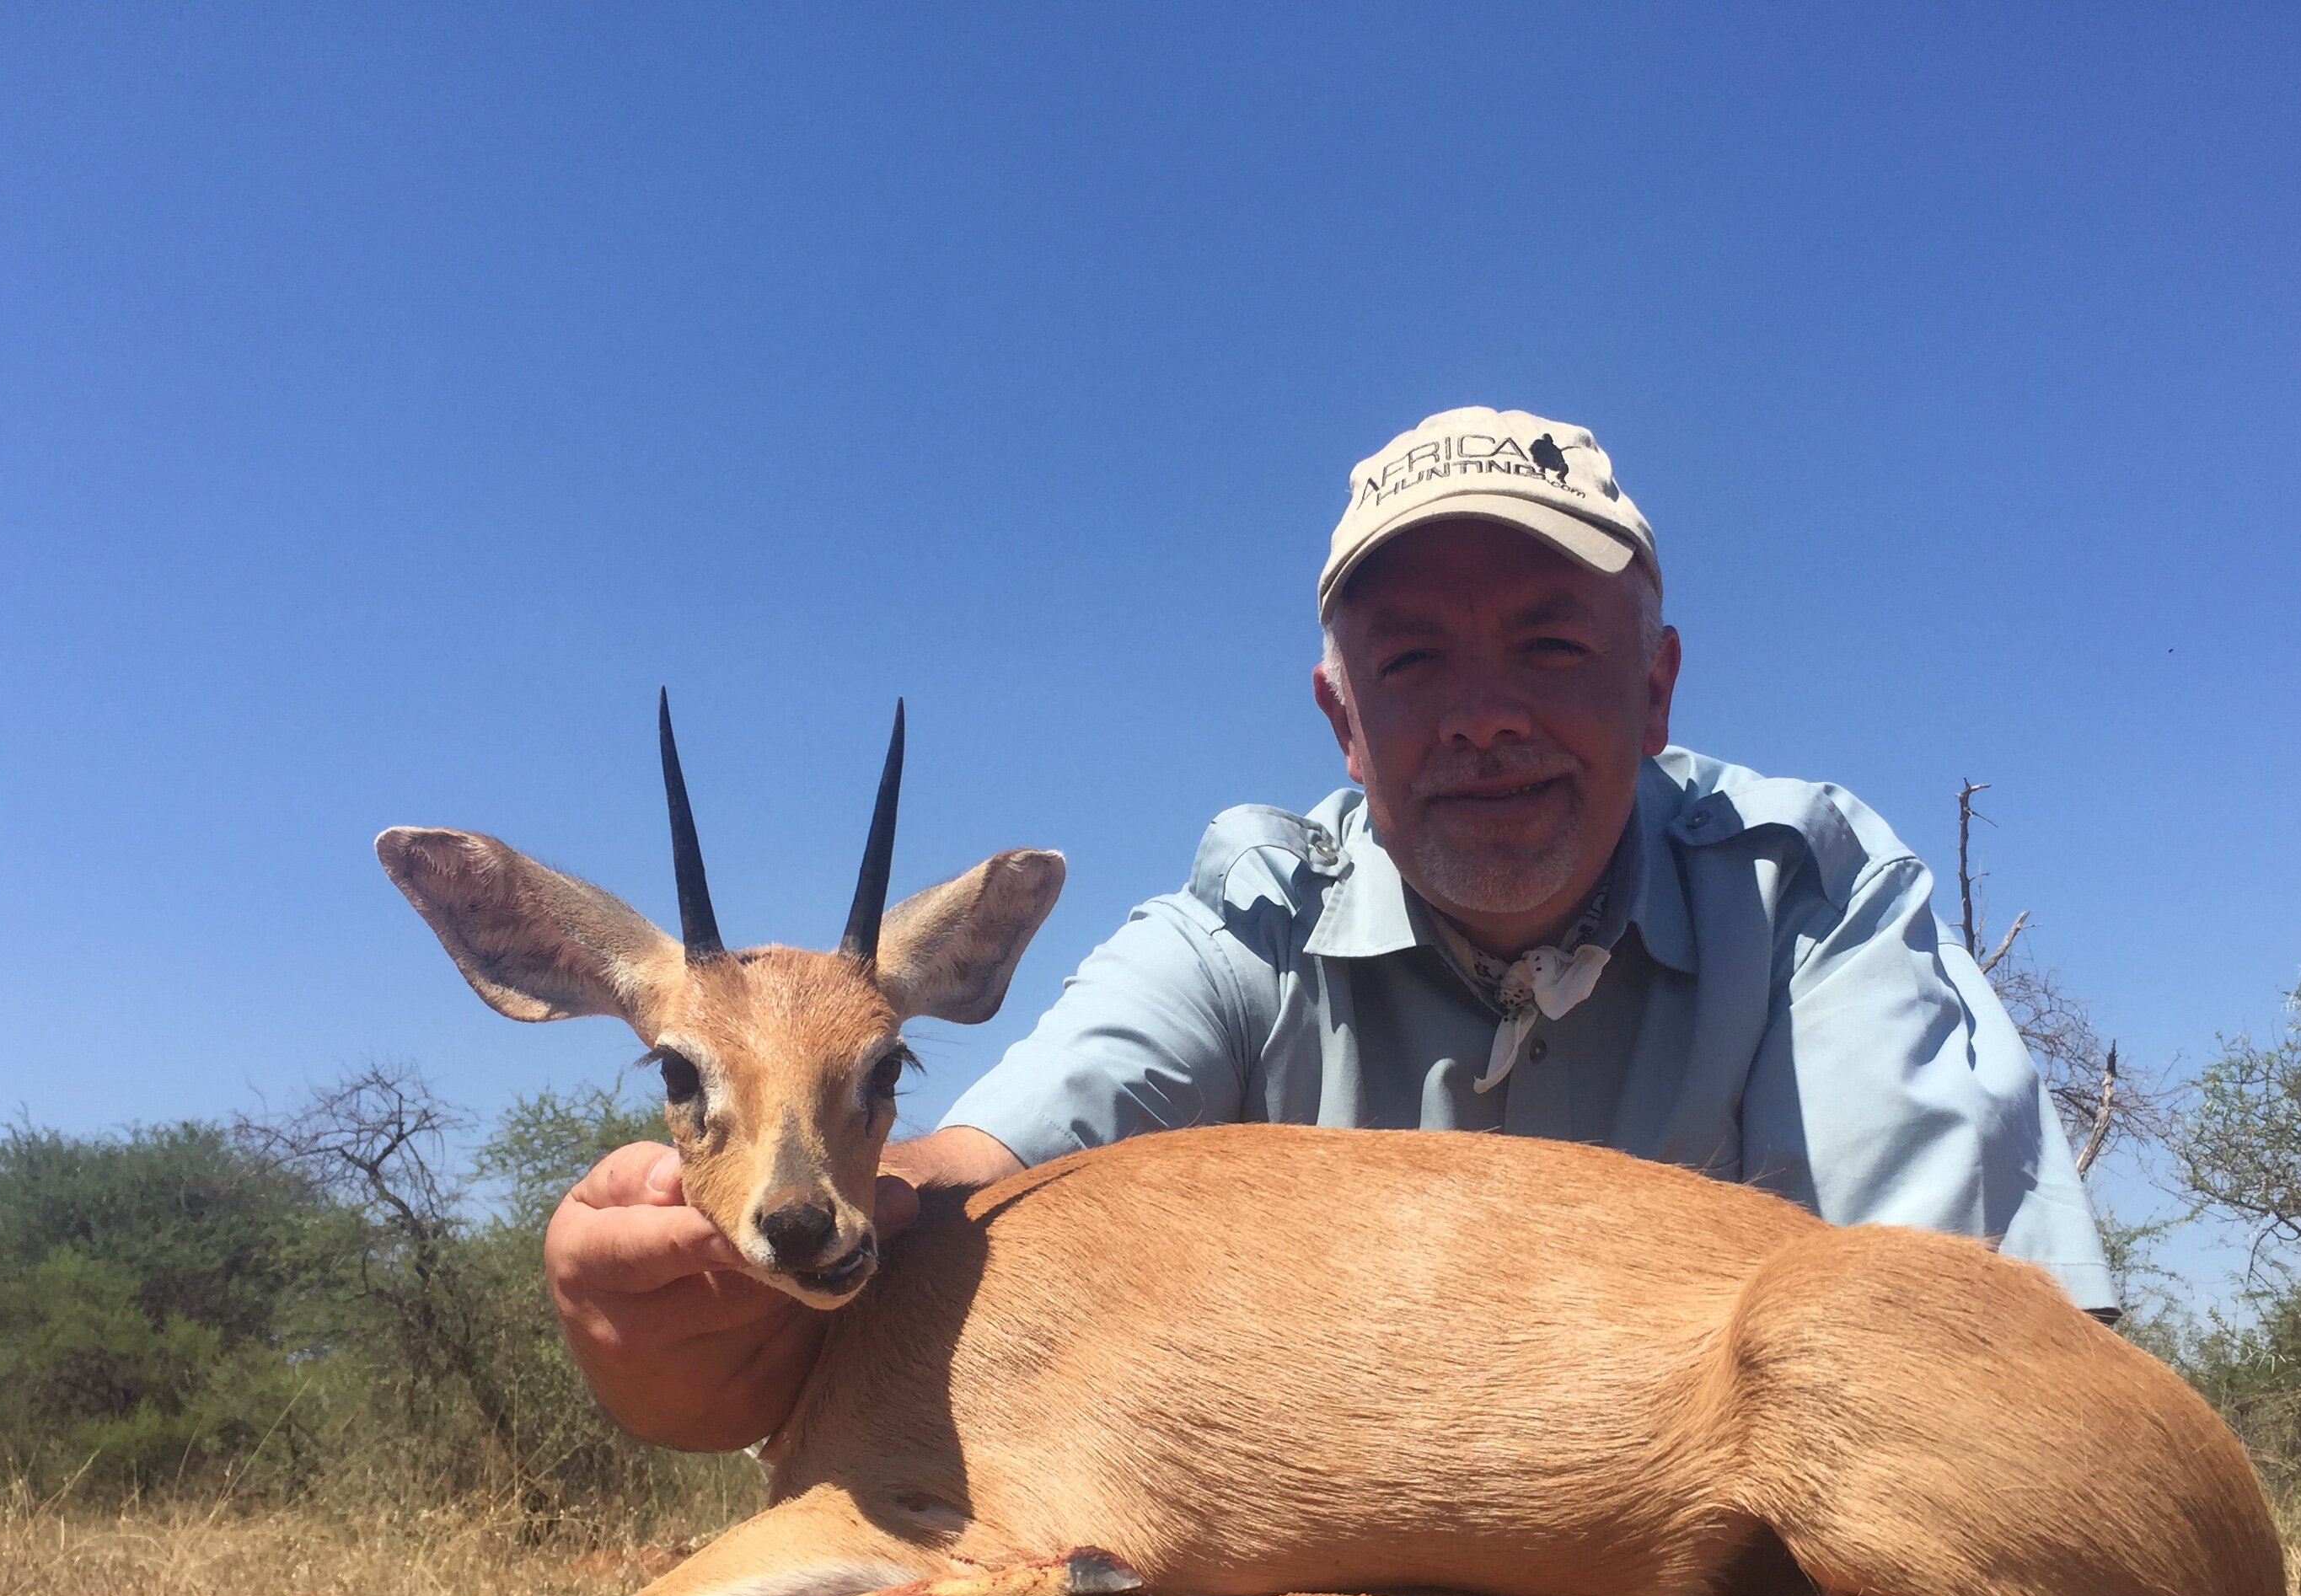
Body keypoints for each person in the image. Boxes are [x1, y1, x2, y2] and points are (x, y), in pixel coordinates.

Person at [547, 406, 2115, 1453]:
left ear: (1657, 687)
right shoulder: (1248, 918)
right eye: (1416, 661)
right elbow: (971, 1178)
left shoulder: (1810, 887)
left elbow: (1953, 1339)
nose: (1488, 717)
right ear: (1341, 720)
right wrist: (718, 1265)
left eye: (1554, 645)